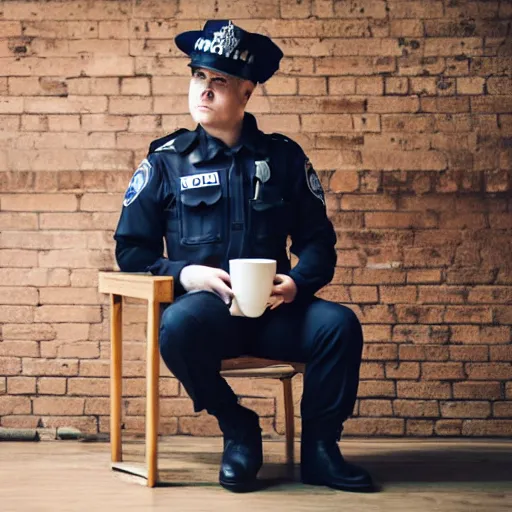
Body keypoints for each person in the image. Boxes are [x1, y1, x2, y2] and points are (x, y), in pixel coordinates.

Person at [114, 20, 375, 493]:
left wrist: (296, 283)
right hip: (210, 313)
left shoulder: (285, 158)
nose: (205, 92)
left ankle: (321, 450)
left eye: (220, 82)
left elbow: (319, 242)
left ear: (247, 93)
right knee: (174, 328)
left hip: (277, 311)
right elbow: (131, 250)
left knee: (340, 325)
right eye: (198, 77)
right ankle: (238, 429)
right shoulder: (164, 161)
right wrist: (186, 275)